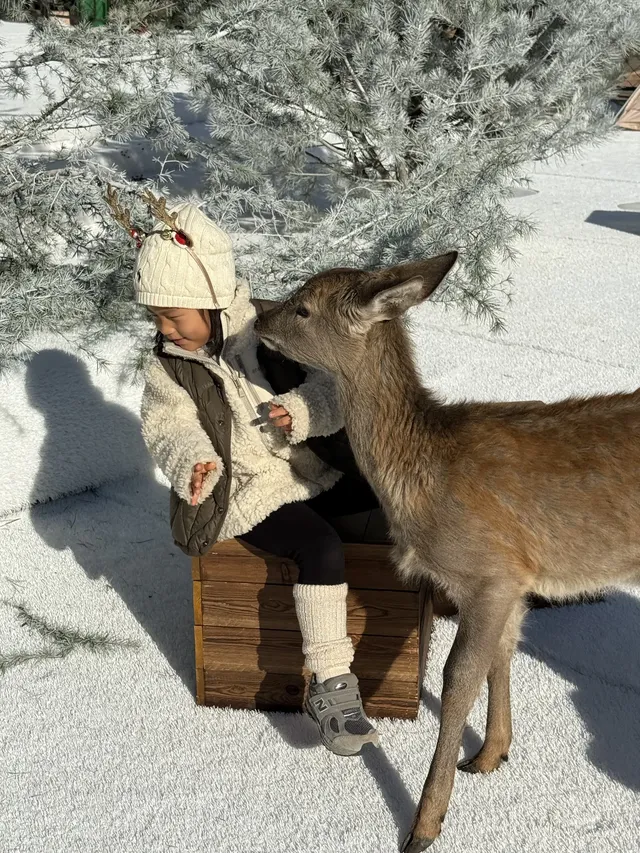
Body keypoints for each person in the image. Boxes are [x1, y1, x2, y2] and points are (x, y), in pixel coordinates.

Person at [124, 191, 380, 755]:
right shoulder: (168, 369)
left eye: (173, 314)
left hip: (308, 469)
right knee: (319, 547)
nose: (166, 329)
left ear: (213, 300)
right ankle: (332, 684)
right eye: (156, 318)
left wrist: (304, 413)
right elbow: (169, 426)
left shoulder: (273, 332)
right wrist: (194, 462)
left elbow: (332, 386)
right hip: (242, 493)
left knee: (384, 511)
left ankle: (428, 600)